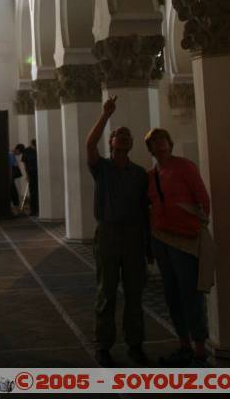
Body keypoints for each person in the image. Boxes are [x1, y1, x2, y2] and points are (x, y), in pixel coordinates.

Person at [86, 95, 150, 367]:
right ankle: (104, 345)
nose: (122, 138)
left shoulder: (139, 174)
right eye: (118, 135)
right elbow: (90, 144)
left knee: (135, 293)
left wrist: (148, 245)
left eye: (127, 136)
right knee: (107, 291)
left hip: (134, 235)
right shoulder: (102, 169)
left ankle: (135, 344)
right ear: (111, 143)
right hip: (109, 234)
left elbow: (145, 210)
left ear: (132, 144)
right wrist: (106, 115)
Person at [144, 127, 212, 366]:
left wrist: (197, 225)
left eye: (163, 139)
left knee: (190, 293)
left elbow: (202, 198)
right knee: (172, 294)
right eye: (154, 141)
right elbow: (150, 207)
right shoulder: (151, 175)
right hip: (162, 239)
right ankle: (184, 345)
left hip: (185, 239)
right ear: (150, 148)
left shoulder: (184, 167)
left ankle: (200, 349)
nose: (159, 143)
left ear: (170, 143)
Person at [14, 140, 38, 216]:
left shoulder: (29, 152)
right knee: (35, 191)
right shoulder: (29, 151)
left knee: (35, 192)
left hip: (36, 173)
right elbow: (26, 164)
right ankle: (35, 210)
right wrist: (28, 175)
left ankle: (36, 210)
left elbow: (26, 165)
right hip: (34, 172)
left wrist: (28, 175)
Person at [8, 149, 21, 215]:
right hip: (11, 177)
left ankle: (16, 210)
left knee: (13, 192)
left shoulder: (10, 154)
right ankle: (16, 209)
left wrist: (10, 178)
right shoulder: (11, 154)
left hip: (10, 177)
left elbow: (11, 167)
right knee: (13, 192)